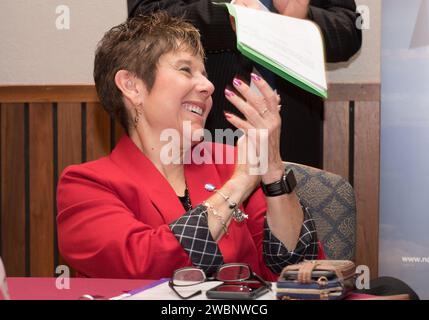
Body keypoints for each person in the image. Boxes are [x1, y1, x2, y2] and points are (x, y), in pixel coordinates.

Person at [56, 11, 324, 281]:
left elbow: (298, 269)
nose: (208, 85)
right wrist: (239, 185)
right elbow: (141, 264)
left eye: (205, 74)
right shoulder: (86, 185)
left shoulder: (233, 161)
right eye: (186, 70)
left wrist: (274, 173)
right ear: (132, 86)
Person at [127, 0, 362, 168]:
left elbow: (350, 30)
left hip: (292, 125)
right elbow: (145, 16)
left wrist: (301, 20)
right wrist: (230, 18)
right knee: (203, 227)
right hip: (201, 123)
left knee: (288, 225)